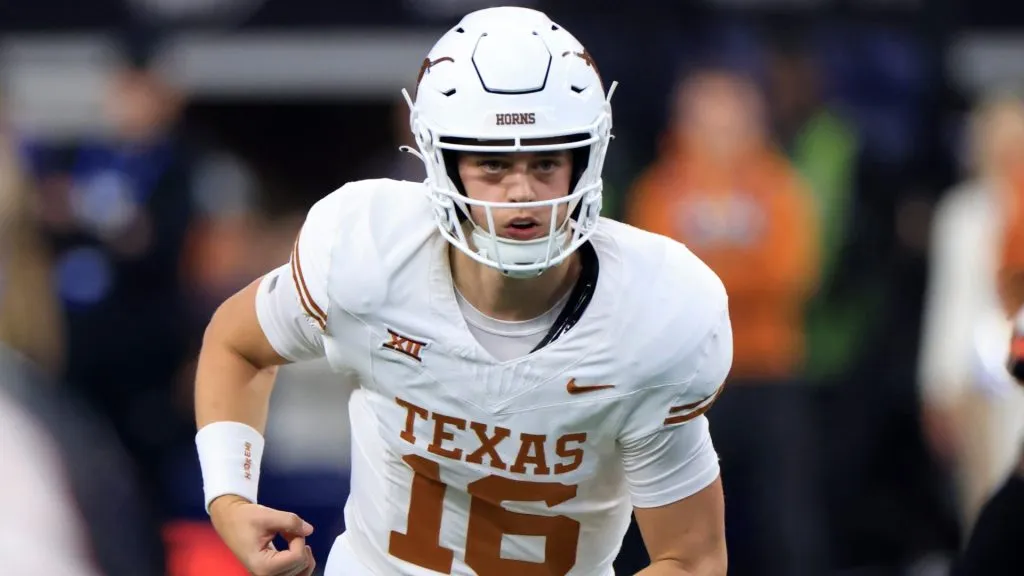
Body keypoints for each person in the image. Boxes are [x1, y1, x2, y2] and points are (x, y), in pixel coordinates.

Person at [194, 7, 732, 576]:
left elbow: (691, 557)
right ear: (443, 164)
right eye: (493, 164)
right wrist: (229, 499)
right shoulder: (370, 254)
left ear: (586, 160)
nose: (523, 190)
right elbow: (237, 344)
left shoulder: (654, 315)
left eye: (547, 161)